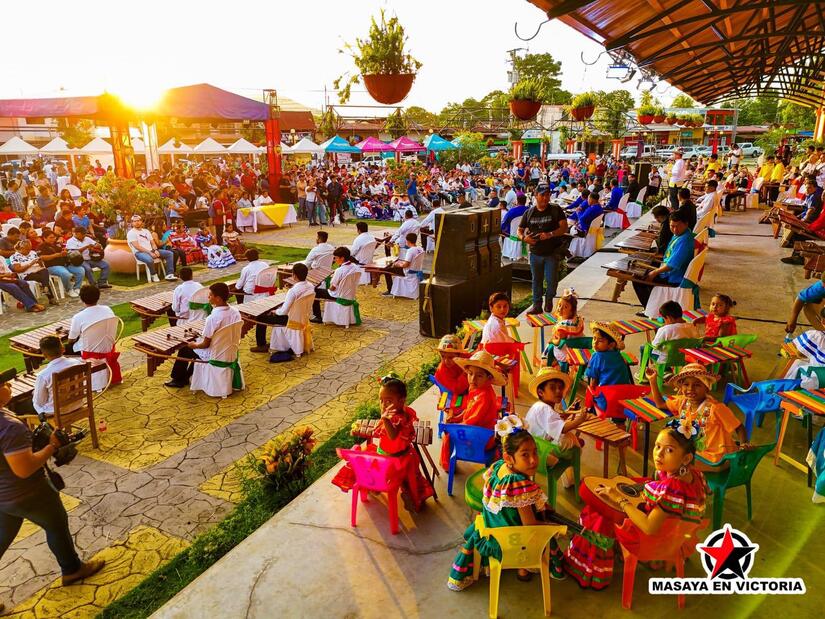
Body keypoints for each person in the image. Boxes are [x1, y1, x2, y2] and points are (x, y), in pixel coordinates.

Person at [565, 421, 708, 588]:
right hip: (676, 536)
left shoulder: (672, 489)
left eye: (669, 450)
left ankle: (590, 570)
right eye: (657, 446)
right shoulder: (695, 475)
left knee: (599, 512)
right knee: (619, 494)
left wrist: (619, 499)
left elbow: (648, 527)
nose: (659, 454)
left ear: (686, 458)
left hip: (649, 541)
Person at [1, 370, 106, 593]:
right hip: (26, 492)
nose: (8, 383)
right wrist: (52, 447)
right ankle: (72, 570)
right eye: (3, 382)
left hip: (3, 496)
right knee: (56, 524)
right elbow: (24, 468)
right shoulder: (8, 428)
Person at [447, 415, 565, 591]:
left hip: (493, 527)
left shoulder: (499, 466)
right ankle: (525, 566)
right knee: (547, 532)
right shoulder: (518, 484)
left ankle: (523, 570)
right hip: (507, 542)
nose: (533, 459)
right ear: (509, 457)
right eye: (525, 454)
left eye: (534, 452)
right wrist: (554, 528)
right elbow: (530, 525)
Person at [332, 377, 434, 512]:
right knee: (368, 451)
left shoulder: (398, 418)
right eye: (381, 400)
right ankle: (387, 488)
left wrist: (385, 419)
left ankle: (373, 486)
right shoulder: (404, 412)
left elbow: (393, 435)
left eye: (389, 401)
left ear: (401, 400)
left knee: (361, 459)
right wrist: (384, 419)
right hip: (401, 454)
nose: (384, 404)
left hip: (392, 461)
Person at [645, 363, 748, 468]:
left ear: (707, 388)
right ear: (681, 387)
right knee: (670, 458)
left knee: (675, 464)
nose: (690, 389)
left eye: (697, 385)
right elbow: (660, 404)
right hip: (697, 454)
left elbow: (739, 427)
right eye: (686, 384)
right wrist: (652, 381)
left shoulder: (716, 409)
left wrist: (744, 445)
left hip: (718, 460)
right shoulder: (683, 402)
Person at [165, 282, 242, 388]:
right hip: (230, 350)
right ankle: (187, 376)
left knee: (185, 349)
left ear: (218, 298)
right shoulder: (235, 312)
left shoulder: (213, 318)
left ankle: (178, 379)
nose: (208, 297)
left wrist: (194, 345)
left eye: (210, 295)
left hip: (216, 354)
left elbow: (205, 344)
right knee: (196, 347)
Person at [440, 350, 503, 470]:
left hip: (482, 439)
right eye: (470, 373)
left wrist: (453, 426)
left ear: (489, 378)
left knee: (447, 435)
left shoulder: (484, 397)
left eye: (479, 375)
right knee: (450, 423)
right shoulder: (477, 388)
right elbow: (469, 409)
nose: (473, 379)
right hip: (481, 431)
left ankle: (448, 466)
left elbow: (470, 423)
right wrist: (457, 418)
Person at [526, 368, 587, 485]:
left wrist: (569, 412)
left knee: (571, 440)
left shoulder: (540, 406)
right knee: (574, 446)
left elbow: (555, 421)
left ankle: (569, 479)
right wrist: (580, 420)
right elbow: (562, 428)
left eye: (560, 387)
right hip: (544, 449)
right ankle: (570, 479)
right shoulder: (545, 409)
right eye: (553, 388)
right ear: (540, 392)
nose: (558, 391)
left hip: (537, 444)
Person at [517, 182, 568, 314]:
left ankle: (549, 298)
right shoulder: (529, 213)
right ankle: (537, 305)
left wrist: (550, 234)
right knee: (536, 281)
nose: (545, 198)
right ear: (535, 195)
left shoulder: (556, 210)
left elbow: (564, 227)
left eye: (547, 195)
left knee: (552, 281)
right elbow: (519, 230)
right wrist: (524, 238)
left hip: (551, 252)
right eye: (542, 195)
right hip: (535, 253)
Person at [631, 210, 695, 308]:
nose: (674, 229)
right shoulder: (683, 233)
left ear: (686, 224)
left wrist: (654, 272)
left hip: (673, 277)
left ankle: (650, 308)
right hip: (669, 270)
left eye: (677, 226)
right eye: (672, 226)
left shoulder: (685, 240)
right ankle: (654, 303)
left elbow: (672, 265)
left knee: (637, 279)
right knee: (641, 269)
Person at [66, 285, 121, 387]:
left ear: (82, 299)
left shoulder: (78, 317)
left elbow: (71, 339)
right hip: (108, 347)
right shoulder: (107, 309)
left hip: (91, 351)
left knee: (67, 347)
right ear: (98, 296)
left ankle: (69, 380)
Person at [265, 262, 315, 361]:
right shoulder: (311, 286)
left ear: (294, 275)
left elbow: (283, 312)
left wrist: (276, 311)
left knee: (262, 316)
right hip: (303, 318)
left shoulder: (293, 291)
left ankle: (261, 344)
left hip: (292, 321)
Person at [585, 321, 633, 412]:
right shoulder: (619, 355)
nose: (595, 343)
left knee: (592, 409)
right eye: (594, 338)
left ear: (611, 344)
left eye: (600, 341)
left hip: (606, 399)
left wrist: (591, 399)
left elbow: (593, 383)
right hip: (624, 397)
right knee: (619, 421)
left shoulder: (597, 356)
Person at [32, 336, 85, 415]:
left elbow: (40, 402)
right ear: (63, 348)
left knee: (30, 403)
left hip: (57, 411)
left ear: (44, 355)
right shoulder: (78, 363)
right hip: (77, 404)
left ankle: (45, 426)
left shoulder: (43, 375)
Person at [310, 246, 361, 324]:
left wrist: (329, 283)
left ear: (342, 258)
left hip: (338, 295)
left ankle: (317, 316)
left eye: (336, 258)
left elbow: (332, 288)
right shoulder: (355, 267)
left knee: (314, 291)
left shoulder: (340, 270)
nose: (334, 260)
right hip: (350, 294)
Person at [126, 215, 177, 282]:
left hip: (151, 250)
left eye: (138, 220)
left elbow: (152, 243)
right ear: (132, 223)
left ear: (141, 221)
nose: (137, 222)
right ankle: (153, 274)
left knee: (169, 253)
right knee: (149, 260)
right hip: (139, 252)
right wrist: (150, 252)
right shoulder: (131, 233)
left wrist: (155, 250)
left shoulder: (146, 231)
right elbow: (137, 247)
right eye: (134, 221)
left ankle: (169, 274)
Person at [38, 228, 84, 298]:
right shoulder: (41, 246)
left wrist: (65, 252)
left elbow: (63, 252)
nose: (53, 239)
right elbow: (41, 257)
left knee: (81, 270)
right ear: (44, 238)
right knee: (67, 275)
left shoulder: (57, 244)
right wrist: (57, 255)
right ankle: (69, 290)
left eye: (54, 237)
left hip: (65, 264)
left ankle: (77, 288)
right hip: (52, 266)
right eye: (51, 237)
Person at [9, 240, 57, 305]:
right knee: (43, 278)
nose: (29, 251)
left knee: (45, 270)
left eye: (30, 249)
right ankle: (49, 295)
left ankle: (45, 287)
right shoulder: (14, 257)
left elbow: (42, 266)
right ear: (21, 248)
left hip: (38, 270)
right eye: (27, 249)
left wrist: (40, 262)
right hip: (26, 274)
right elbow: (18, 270)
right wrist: (30, 264)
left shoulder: (32, 252)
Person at [380, 232, 424, 297]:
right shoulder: (420, 249)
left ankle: (390, 290)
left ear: (407, 241)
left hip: (409, 272)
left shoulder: (410, 250)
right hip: (416, 270)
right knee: (396, 264)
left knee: (387, 270)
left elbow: (405, 265)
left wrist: (396, 264)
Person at [549, 288, 585, 366]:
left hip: (566, 353)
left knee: (549, 347)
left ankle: (553, 361)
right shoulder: (577, 319)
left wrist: (552, 341)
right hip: (579, 348)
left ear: (572, 310)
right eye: (559, 305)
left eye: (565, 307)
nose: (560, 309)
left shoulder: (563, 327)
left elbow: (558, 343)